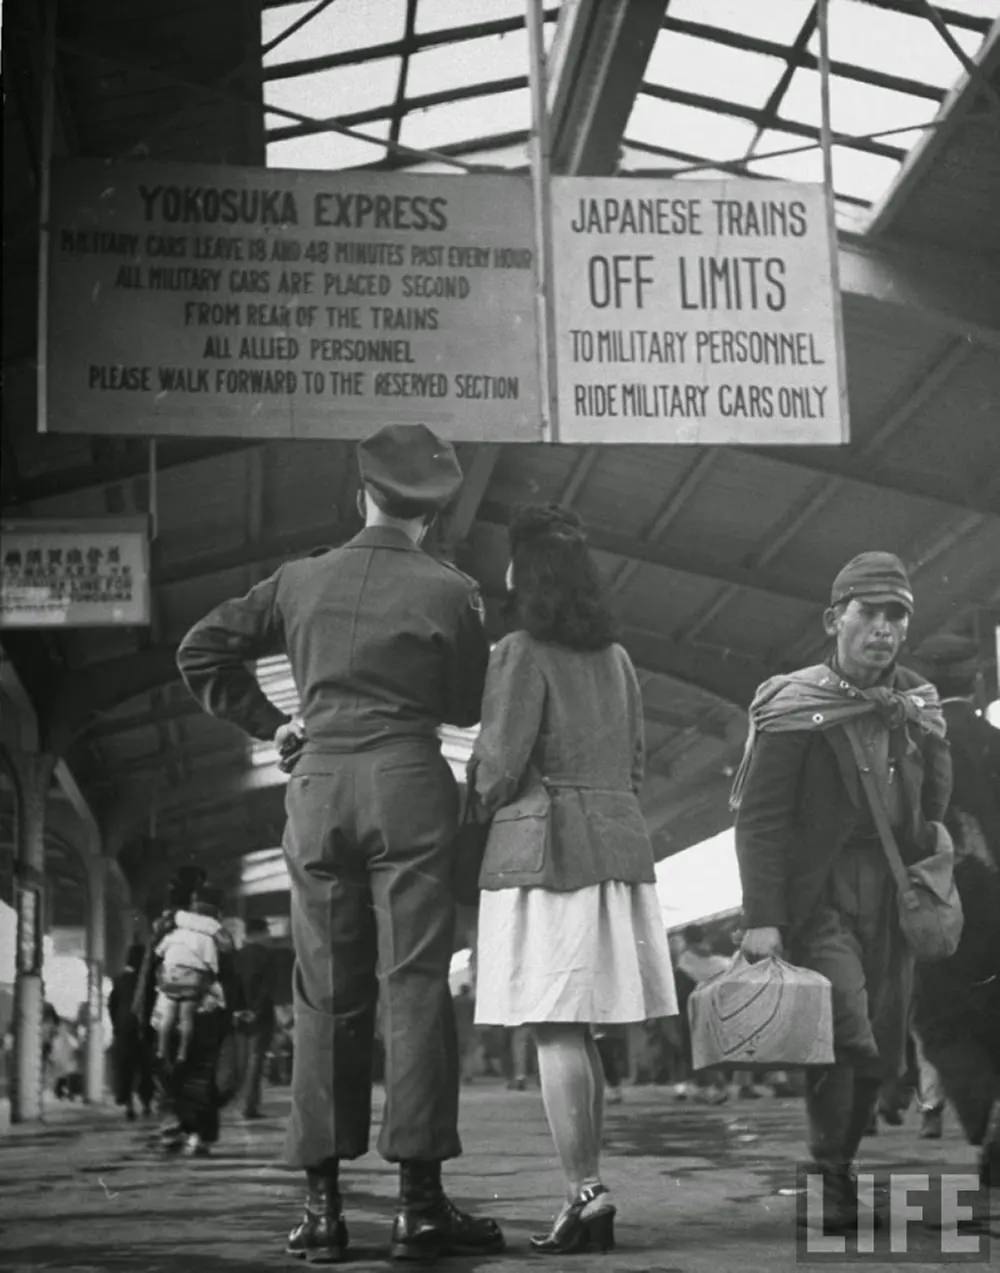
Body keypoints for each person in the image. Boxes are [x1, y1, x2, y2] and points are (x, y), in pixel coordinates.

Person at [176, 423, 502, 1263]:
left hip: (317, 788)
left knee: (324, 991)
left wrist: (273, 724)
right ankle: (419, 1206)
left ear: (361, 493)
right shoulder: (452, 588)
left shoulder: (298, 578)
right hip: (408, 786)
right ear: (430, 513)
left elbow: (201, 647)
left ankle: (322, 1211)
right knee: (416, 985)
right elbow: (468, 707)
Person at [471, 503, 677, 1256]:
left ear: (528, 575)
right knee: (579, 1028)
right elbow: (636, 761)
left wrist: (474, 794)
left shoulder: (520, 649)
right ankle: (586, 1188)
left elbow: (498, 762)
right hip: (614, 849)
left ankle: (586, 1191)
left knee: (552, 1025)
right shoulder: (617, 658)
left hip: (544, 850)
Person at [731, 551, 951, 1234]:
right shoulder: (795, 702)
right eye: (870, 612)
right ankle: (831, 1166)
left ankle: (839, 1165)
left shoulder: (917, 701)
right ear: (835, 618)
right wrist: (762, 917)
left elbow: (936, 796)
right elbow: (761, 818)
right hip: (820, 894)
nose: (883, 628)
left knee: (883, 1044)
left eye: (897, 615)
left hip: (891, 891)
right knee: (847, 1030)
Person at [911, 635, 1000, 1186]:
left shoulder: (911, 743)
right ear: (976, 684)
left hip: (937, 898)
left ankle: (981, 1119)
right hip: (996, 891)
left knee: (939, 1020)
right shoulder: (994, 742)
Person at [153, 894, 224, 1064]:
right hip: (192, 980)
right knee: (186, 1017)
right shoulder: (206, 938)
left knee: (168, 1014)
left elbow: (159, 951)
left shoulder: (175, 934)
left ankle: (161, 1050)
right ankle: (182, 1053)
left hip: (170, 978)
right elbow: (212, 963)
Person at [674, 925, 731, 1104]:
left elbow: (681, 990)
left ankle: (710, 1088)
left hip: (693, 1009)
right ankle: (717, 1086)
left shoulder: (685, 959)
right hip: (716, 1008)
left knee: (697, 1050)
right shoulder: (716, 958)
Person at [233, 917, 278, 1119]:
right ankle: (249, 1106)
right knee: (255, 1060)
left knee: (243, 1060)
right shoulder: (266, 956)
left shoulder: (237, 955)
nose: (269, 936)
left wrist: (238, 1009)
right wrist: (256, 1011)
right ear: (259, 933)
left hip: (239, 1015)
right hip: (260, 1016)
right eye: (267, 932)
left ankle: (243, 1103)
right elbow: (266, 988)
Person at [108, 943, 154, 1119]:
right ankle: (147, 1103)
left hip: (125, 1031)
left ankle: (128, 1105)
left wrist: (116, 1027)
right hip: (145, 1030)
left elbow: (112, 1006)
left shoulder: (120, 981)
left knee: (126, 1068)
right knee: (146, 1068)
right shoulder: (149, 981)